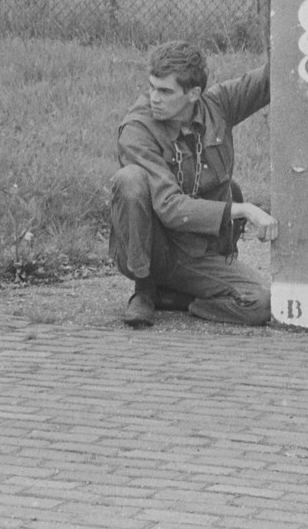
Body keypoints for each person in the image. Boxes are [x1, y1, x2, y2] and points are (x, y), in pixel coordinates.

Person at [109, 40, 279, 328]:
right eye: (152, 87)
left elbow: (270, 78)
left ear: (193, 94)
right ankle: (145, 288)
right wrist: (244, 210)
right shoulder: (137, 129)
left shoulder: (217, 105)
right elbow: (170, 207)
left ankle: (176, 300)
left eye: (165, 91)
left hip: (201, 252)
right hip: (157, 249)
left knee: (260, 302)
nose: (154, 98)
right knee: (130, 181)